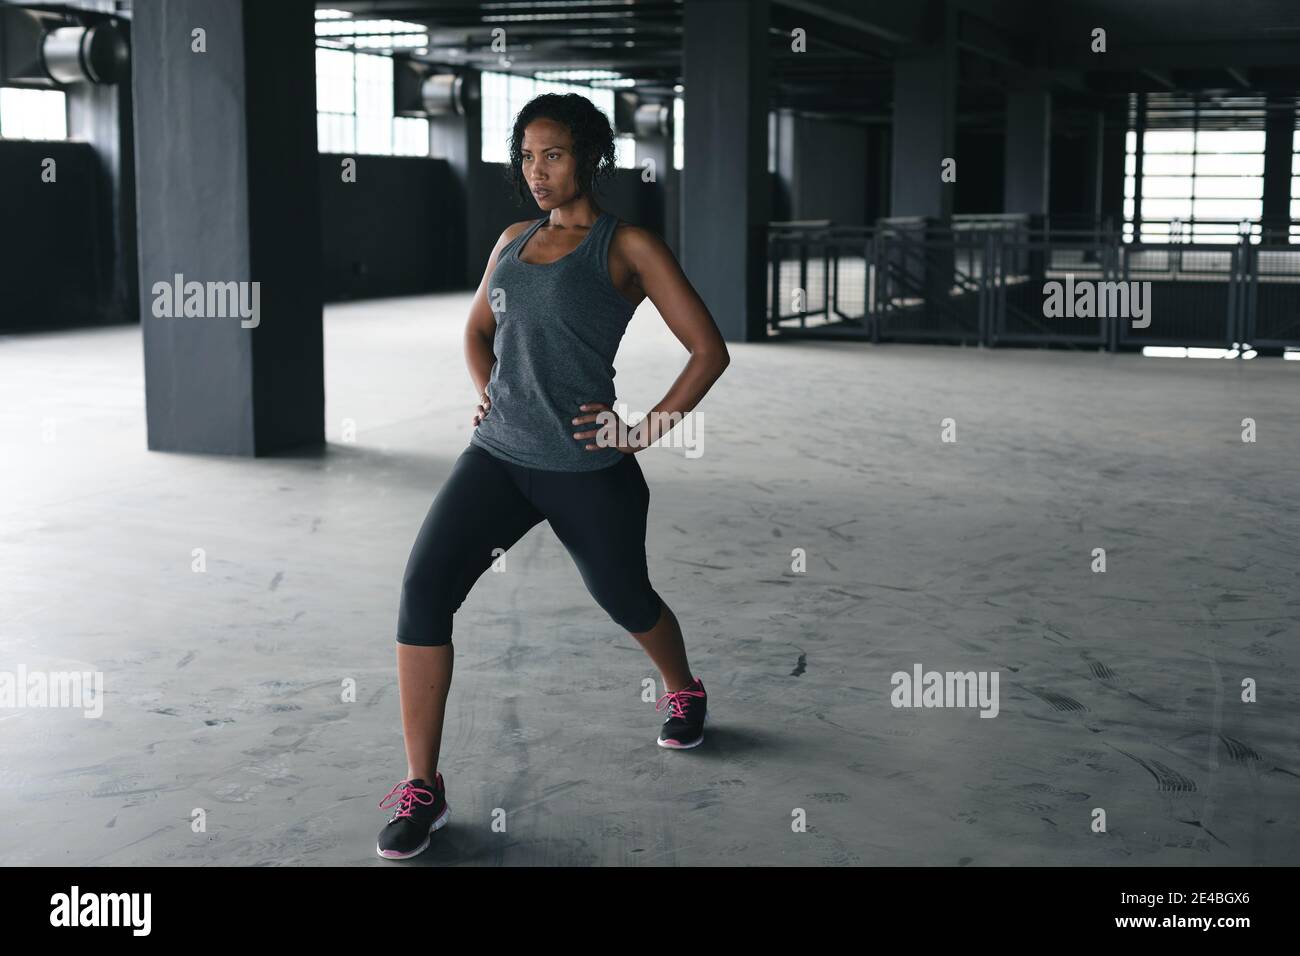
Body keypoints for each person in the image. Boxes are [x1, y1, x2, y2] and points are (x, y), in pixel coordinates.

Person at [376, 92, 730, 860]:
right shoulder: (511, 239)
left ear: (591, 158)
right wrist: (488, 394)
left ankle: (682, 688)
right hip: (498, 457)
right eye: (527, 156)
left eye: (555, 155)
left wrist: (640, 432)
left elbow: (709, 350)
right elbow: (477, 329)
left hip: (586, 466)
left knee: (625, 598)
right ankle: (422, 787)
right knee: (423, 590)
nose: (538, 172)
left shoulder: (627, 246)